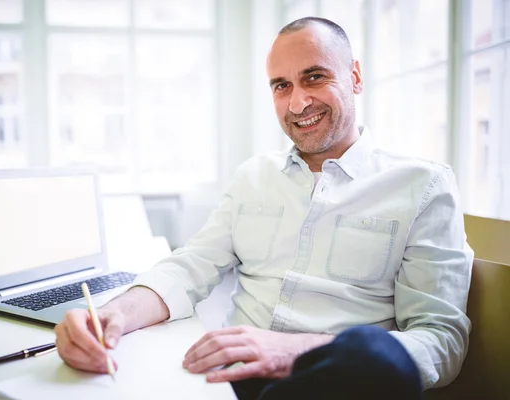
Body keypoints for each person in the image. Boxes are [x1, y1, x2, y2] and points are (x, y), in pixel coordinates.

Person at [54, 17, 473, 400]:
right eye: (281, 85)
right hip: (229, 380)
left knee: (373, 354)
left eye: (315, 76)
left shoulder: (423, 185)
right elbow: (190, 267)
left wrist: (294, 352)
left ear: (355, 77)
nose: (297, 103)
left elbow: (441, 342)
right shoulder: (253, 176)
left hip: (335, 383)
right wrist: (111, 317)